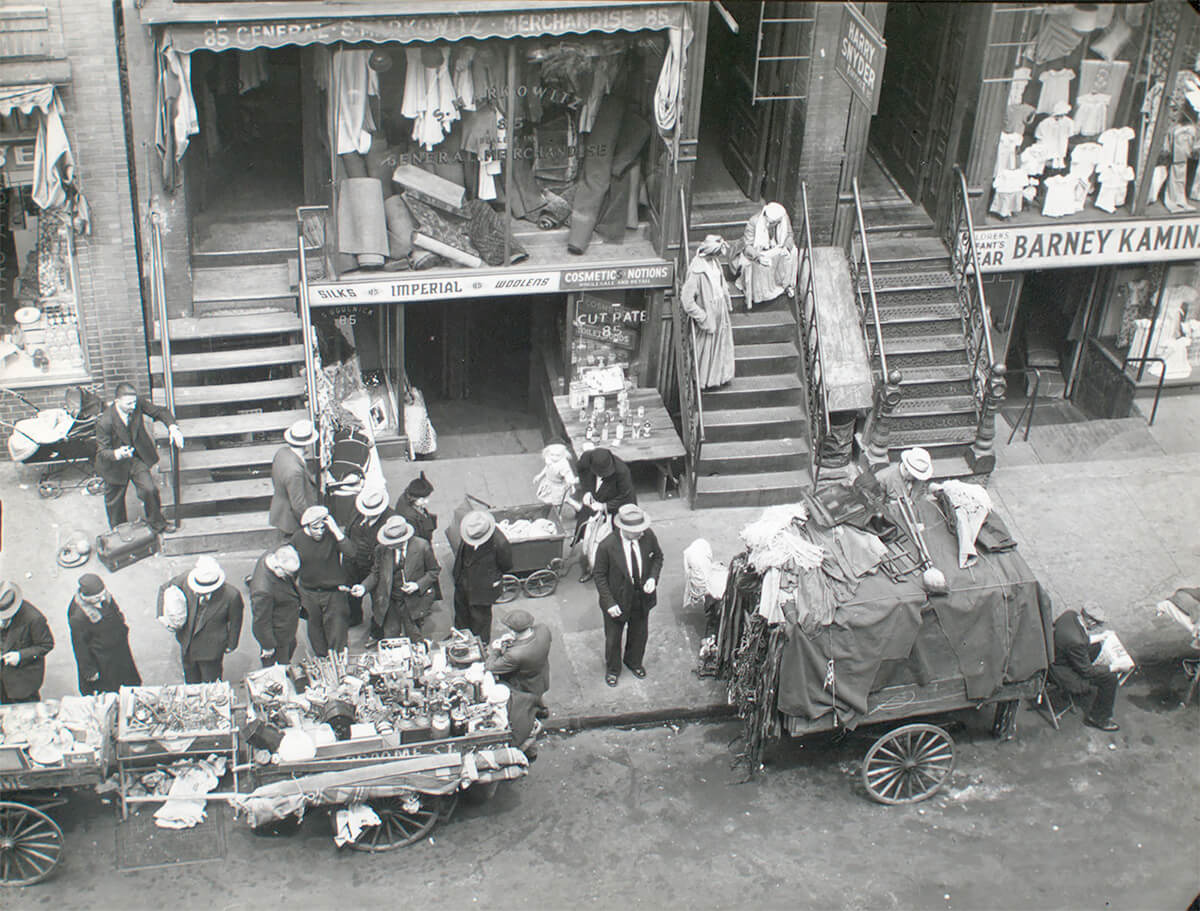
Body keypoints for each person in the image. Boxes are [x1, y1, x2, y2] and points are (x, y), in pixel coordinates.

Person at [94, 381, 184, 533]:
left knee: (149, 490)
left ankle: (158, 524)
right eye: (129, 404)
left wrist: (173, 428)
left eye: (134, 402)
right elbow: (102, 451)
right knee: (115, 503)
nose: (134, 407)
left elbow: (160, 412)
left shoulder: (137, 403)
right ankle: (119, 532)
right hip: (114, 465)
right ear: (117, 402)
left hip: (135, 459)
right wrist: (118, 453)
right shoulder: (105, 422)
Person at [593, 504, 663, 687]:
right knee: (613, 638)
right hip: (617, 600)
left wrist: (652, 579)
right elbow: (599, 575)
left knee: (639, 633)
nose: (641, 533)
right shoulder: (607, 546)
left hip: (641, 596)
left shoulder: (648, 536)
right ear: (624, 529)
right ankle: (613, 669)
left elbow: (658, 557)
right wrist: (609, 602)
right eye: (636, 531)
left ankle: (633, 661)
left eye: (642, 529)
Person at [157, 556, 244, 683]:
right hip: (187, 644)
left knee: (211, 684)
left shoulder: (232, 596)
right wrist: (162, 616)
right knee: (191, 682)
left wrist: (231, 644)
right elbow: (164, 588)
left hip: (211, 650)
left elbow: (236, 622)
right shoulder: (185, 579)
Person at [291, 505, 363, 657]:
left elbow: (351, 552)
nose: (319, 532)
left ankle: (338, 662)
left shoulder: (332, 535)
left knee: (338, 629)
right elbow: (292, 567)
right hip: (309, 592)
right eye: (315, 528)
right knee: (315, 630)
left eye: (322, 528)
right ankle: (323, 661)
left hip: (334, 592)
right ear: (307, 526)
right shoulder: (297, 538)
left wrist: (336, 531)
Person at [363, 516, 441, 643]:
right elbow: (375, 573)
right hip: (391, 600)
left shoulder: (422, 546)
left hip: (413, 600)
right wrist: (363, 587)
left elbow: (434, 571)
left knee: (415, 636)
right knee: (390, 637)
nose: (390, 547)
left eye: (394, 544)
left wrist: (417, 585)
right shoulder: (381, 549)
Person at [1049, 602, 1121, 732]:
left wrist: (1101, 636)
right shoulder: (1077, 641)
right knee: (1110, 678)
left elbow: (1077, 639)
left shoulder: (1069, 615)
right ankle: (1098, 718)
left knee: (1097, 646)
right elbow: (1087, 671)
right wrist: (1114, 667)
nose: (1097, 626)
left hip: (1055, 655)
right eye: (1098, 623)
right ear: (1090, 620)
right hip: (1061, 672)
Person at [67, 573, 141, 694]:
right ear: (86, 597)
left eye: (102, 594)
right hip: (103, 658)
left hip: (119, 648)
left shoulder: (103, 596)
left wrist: (122, 626)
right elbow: (80, 646)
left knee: (129, 680)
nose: (102, 599)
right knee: (111, 689)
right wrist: (89, 671)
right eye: (97, 598)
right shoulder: (78, 617)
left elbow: (115, 610)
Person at [680, 234, 736, 389]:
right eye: (716, 254)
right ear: (710, 252)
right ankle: (703, 379)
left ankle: (719, 377)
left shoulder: (715, 262)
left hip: (720, 309)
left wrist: (725, 299)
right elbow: (687, 301)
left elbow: (720, 282)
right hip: (708, 311)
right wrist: (702, 317)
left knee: (720, 345)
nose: (718, 257)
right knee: (706, 347)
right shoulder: (696, 271)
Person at [574, 447, 637, 583]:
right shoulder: (586, 459)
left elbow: (625, 496)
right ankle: (590, 567)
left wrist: (604, 506)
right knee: (587, 535)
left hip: (615, 507)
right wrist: (586, 492)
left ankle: (612, 570)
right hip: (594, 501)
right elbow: (581, 473)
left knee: (612, 541)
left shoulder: (622, 471)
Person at [453, 510, 512, 643]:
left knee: (480, 619)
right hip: (463, 582)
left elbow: (506, 565)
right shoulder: (469, 531)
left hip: (483, 589)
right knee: (461, 614)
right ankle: (460, 638)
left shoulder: (500, 542)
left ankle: (480, 644)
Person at [485, 608, 552, 717]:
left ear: (512, 631)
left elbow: (491, 667)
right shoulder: (544, 630)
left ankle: (534, 715)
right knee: (538, 697)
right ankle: (542, 710)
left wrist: (496, 649)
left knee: (527, 703)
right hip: (541, 676)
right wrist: (516, 640)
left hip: (525, 684)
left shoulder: (514, 655)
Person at [344, 487, 394, 630]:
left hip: (375, 565)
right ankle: (354, 617)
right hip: (353, 562)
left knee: (379, 600)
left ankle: (377, 629)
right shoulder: (358, 509)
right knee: (351, 593)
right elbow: (348, 529)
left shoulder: (390, 521)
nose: (366, 515)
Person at [734, 201, 797, 310]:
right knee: (759, 263)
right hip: (758, 250)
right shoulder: (754, 222)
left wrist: (787, 247)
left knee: (793, 251)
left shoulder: (783, 217)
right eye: (771, 222)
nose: (773, 225)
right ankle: (761, 294)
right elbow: (748, 246)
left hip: (777, 247)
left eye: (776, 223)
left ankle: (784, 284)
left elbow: (789, 235)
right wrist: (758, 258)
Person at [248, 544, 302, 666]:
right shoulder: (263, 590)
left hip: (286, 627)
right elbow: (261, 621)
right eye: (287, 573)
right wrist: (268, 646)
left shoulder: (272, 555)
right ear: (277, 567)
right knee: (278, 668)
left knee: (290, 648)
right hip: (278, 637)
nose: (290, 576)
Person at [0, 580, 53, 703]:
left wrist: (20, 656)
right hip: (2, 680)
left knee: (26, 710)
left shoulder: (34, 618)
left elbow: (46, 645)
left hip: (22, 681)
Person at [269, 419, 319, 535]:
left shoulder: (282, 453)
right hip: (291, 520)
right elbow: (298, 504)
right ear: (308, 442)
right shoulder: (294, 471)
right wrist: (312, 522)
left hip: (281, 511)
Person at [393, 471, 438, 542]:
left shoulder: (407, 496)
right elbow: (418, 541)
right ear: (413, 498)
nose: (427, 501)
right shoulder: (409, 517)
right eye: (423, 499)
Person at [533, 443, 579, 509]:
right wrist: (539, 476)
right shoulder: (549, 459)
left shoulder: (563, 465)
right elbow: (547, 468)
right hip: (548, 483)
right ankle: (576, 507)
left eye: (558, 455)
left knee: (558, 501)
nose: (554, 458)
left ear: (563, 455)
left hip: (558, 487)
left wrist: (573, 481)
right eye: (552, 454)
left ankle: (578, 509)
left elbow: (568, 476)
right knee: (553, 499)